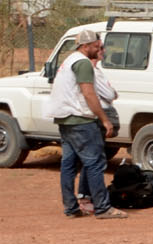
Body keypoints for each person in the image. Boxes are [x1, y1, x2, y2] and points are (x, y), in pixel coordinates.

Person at [49, 29, 126, 220]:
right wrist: (104, 119)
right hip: (81, 119)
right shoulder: (83, 63)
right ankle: (102, 207)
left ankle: (71, 207)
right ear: (85, 46)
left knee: (68, 164)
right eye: (95, 46)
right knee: (95, 163)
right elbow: (88, 93)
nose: (98, 48)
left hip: (65, 119)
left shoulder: (69, 61)